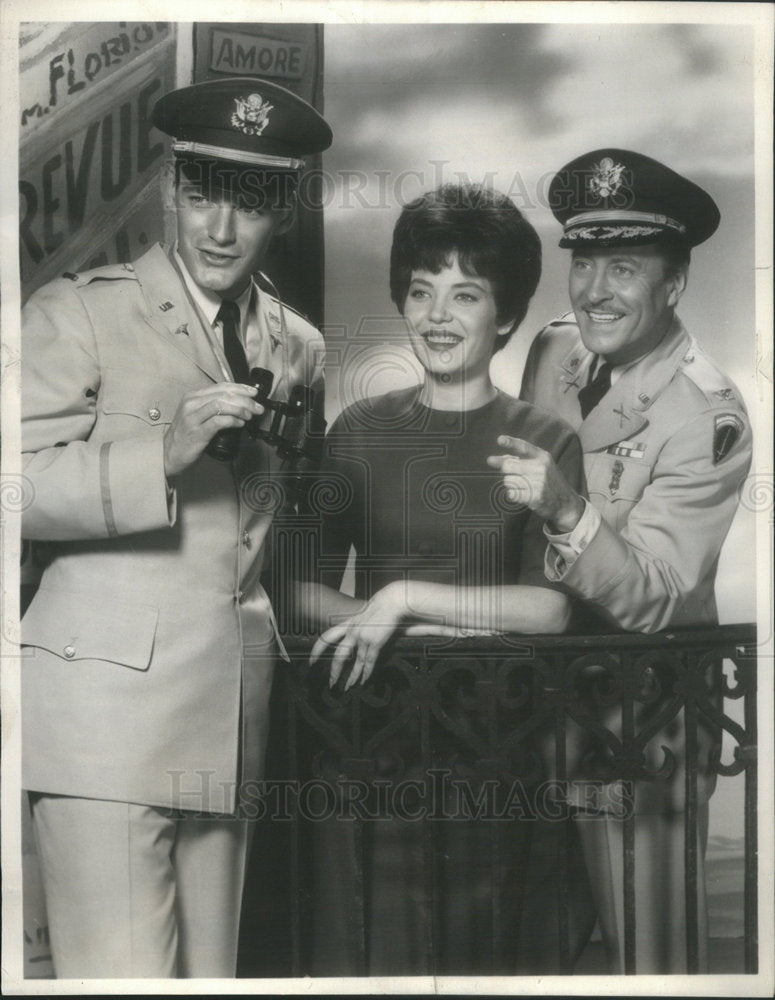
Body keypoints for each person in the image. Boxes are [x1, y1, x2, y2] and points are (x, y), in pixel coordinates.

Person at [20, 77, 331, 978]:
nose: (220, 231)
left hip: (230, 715)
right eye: (201, 198)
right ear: (169, 191)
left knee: (214, 980)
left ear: (281, 210)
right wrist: (163, 452)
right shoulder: (79, 313)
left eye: (249, 203)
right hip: (103, 722)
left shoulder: (297, 342)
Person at [298, 183, 585, 974]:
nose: (436, 314)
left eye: (465, 293)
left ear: (507, 314)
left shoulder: (545, 438)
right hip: (366, 752)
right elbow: (298, 590)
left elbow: (551, 611)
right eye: (421, 290)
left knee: (484, 966)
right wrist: (384, 626)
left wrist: (402, 602)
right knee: (365, 964)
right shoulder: (357, 430)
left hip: (494, 758)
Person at [487, 148, 753, 972]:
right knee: (527, 959)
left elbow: (662, 598)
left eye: (624, 267)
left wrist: (568, 511)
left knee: (652, 962)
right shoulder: (554, 352)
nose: (596, 289)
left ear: (672, 283)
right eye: (585, 262)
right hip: (530, 714)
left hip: (640, 728)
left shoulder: (707, 416)